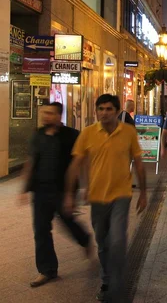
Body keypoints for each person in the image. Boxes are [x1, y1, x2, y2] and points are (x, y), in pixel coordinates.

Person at [63, 94, 147, 303]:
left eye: (109, 109)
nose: (104, 113)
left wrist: (144, 192)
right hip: (97, 197)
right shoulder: (88, 133)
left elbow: (138, 162)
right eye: (101, 109)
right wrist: (69, 194)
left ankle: (115, 283)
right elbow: (75, 164)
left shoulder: (128, 132)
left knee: (117, 240)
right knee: (102, 242)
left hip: (121, 195)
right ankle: (107, 278)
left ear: (117, 111)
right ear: (96, 111)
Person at [18, 102, 91, 288]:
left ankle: (84, 239)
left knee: (67, 221)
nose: (45, 117)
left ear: (59, 116)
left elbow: (80, 163)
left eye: (49, 114)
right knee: (41, 231)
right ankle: (47, 270)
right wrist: (24, 188)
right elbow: (31, 160)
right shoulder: (38, 135)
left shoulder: (71, 136)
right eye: (44, 113)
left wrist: (73, 193)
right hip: (40, 191)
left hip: (62, 190)